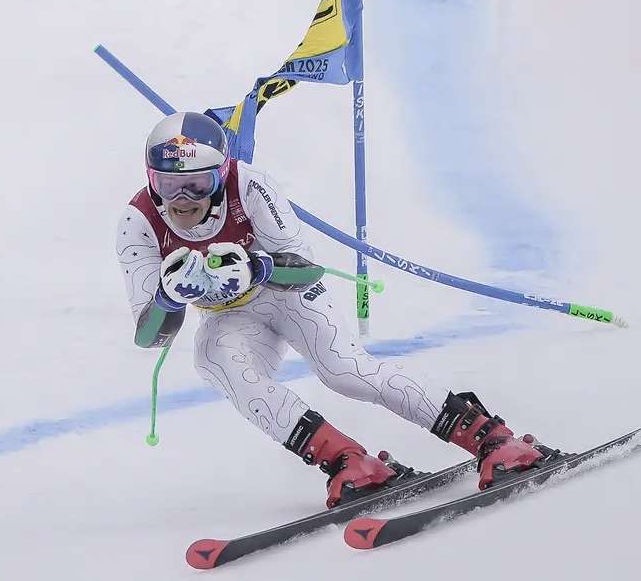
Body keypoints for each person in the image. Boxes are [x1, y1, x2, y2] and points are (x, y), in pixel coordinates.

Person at [115, 112, 546, 507]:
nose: (183, 199)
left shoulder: (248, 185)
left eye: (199, 184)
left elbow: (305, 269)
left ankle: (491, 437)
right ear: (151, 181)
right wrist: (168, 298)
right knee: (216, 361)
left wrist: (255, 268)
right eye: (169, 185)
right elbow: (150, 336)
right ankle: (346, 460)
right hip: (231, 316)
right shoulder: (138, 222)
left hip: (286, 293)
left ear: (222, 174)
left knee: (345, 371)